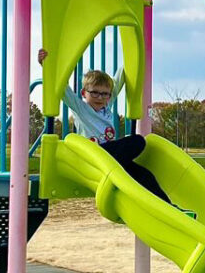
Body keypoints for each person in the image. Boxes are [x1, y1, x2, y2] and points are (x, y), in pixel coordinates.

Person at [42, 59, 172, 204]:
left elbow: (118, 80)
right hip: (93, 157)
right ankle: (114, 169)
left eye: (105, 94)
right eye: (94, 93)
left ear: (109, 96)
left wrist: (135, 57)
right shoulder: (81, 108)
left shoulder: (106, 106)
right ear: (84, 93)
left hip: (110, 159)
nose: (100, 97)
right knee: (137, 141)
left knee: (143, 174)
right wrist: (46, 65)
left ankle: (169, 206)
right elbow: (63, 89)